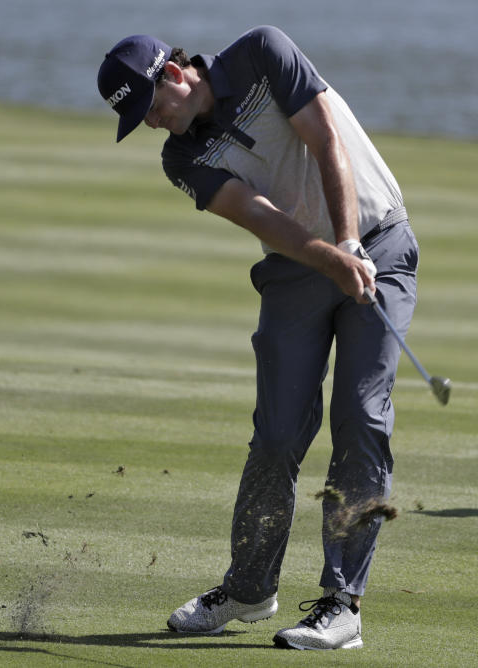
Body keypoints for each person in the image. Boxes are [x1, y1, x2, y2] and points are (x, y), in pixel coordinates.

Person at [97, 25, 418, 651]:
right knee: (275, 435)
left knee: (360, 416)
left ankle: (341, 604)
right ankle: (248, 589)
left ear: (173, 74)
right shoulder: (181, 158)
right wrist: (329, 258)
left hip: (380, 243)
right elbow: (261, 217)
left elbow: (325, 137)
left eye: (152, 108)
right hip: (297, 269)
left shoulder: (263, 53)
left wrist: (350, 243)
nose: (156, 124)